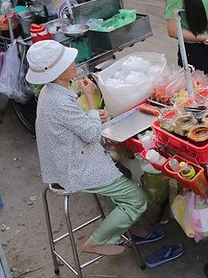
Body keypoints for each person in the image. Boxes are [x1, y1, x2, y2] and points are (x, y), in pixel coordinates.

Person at [26, 41, 164, 256]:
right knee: (137, 198)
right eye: (68, 61)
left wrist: (92, 116)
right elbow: (90, 134)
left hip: (66, 157)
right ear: (59, 71)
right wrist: (91, 100)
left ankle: (128, 227)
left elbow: (73, 125)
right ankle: (97, 241)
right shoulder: (59, 100)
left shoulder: (50, 91)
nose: (73, 63)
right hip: (75, 166)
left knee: (124, 171)